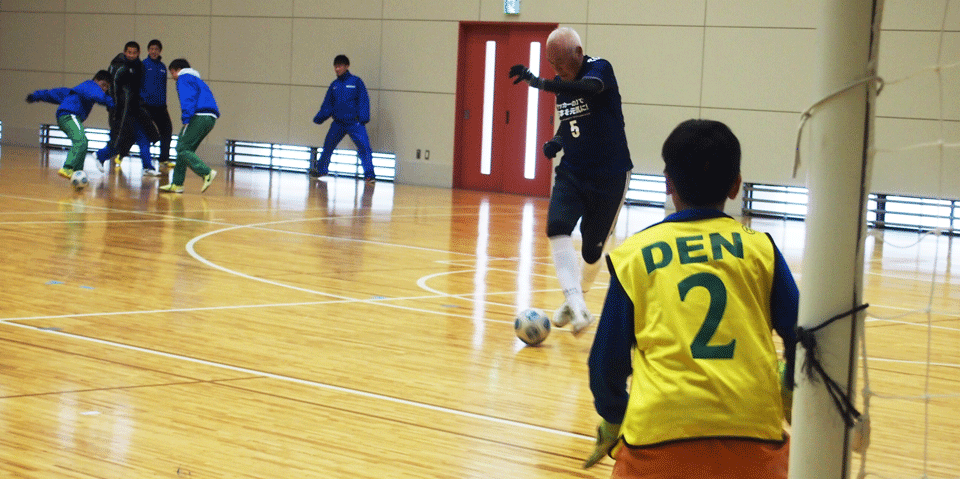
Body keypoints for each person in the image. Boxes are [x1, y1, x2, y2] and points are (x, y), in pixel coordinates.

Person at [583, 119, 799, 478]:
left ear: (668, 183)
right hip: (753, 437)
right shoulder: (761, 249)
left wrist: (614, 416)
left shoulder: (635, 255)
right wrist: (790, 386)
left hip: (657, 440)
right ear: (736, 185)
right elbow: (801, 334)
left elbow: (606, 363)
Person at [508, 27, 632, 335]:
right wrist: (557, 140)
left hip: (610, 176)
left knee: (591, 251)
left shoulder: (600, 69)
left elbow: (588, 90)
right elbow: (570, 118)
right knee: (557, 226)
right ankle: (576, 304)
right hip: (573, 172)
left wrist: (539, 83)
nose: (556, 69)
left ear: (578, 53)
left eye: (560, 62)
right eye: (551, 63)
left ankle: (578, 297)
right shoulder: (562, 84)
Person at [26, 71, 115, 179]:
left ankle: (78, 173)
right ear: (96, 80)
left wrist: (35, 96)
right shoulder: (90, 85)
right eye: (103, 85)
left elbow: (54, 94)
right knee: (80, 141)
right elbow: (99, 96)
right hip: (69, 115)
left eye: (107, 87)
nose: (104, 89)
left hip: (65, 117)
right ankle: (68, 167)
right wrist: (114, 103)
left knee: (83, 142)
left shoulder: (76, 91)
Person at [96, 41, 161, 176]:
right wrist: (114, 108)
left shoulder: (139, 67)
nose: (131, 55)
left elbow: (140, 88)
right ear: (125, 52)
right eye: (129, 52)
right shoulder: (118, 67)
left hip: (135, 110)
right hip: (121, 111)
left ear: (138, 53)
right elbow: (112, 89)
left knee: (143, 137)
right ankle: (100, 155)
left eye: (134, 53)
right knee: (121, 140)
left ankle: (147, 166)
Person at [311, 54, 376, 184]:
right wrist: (320, 117)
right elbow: (328, 104)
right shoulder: (334, 85)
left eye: (339, 66)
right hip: (338, 123)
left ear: (347, 66)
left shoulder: (356, 82)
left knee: (364, 148)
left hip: (354, 123)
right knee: (328, 146)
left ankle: (370, 175)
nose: (337, 69)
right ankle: (321, 170)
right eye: (335, 66)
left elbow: (363, 100)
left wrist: (363, 118)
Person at [159, 58, 218, 194]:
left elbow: (188, 98)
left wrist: (186, 117)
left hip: (199, 116)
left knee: (182, 148)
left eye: (172, 73)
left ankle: (206, 172)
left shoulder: (184, 78)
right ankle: (177, 184)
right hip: (209, 118)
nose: (172, 77)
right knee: (185, 149)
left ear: (178, 70)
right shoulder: (196, 79)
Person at [141, 39, 174, 168]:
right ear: (148, 50)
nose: (154, 51)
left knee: (167, 130)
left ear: (160, 51)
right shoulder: (143, 65)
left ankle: (164, 159)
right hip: (146, 106)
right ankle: (122, 155)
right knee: (144, 133)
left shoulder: (162, 67)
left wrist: (164, 103)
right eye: (152, 49)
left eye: (156, 49)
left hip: (160, 106)